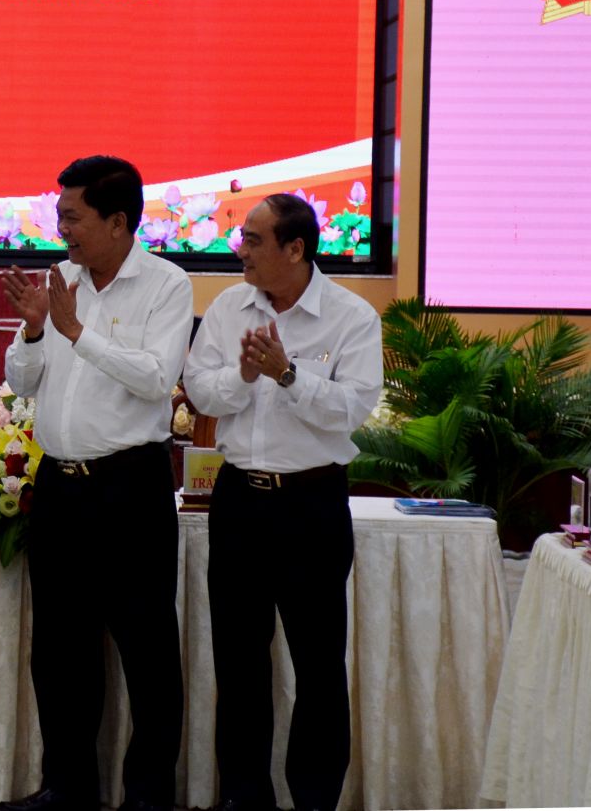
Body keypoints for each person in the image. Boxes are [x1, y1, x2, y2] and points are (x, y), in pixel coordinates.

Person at [0, 156, 193, 811]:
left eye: (73, 216)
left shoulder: (165, 284)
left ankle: (147, 796)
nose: (63, 229)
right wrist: (33, 329)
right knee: (59, 650)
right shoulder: (62, 282)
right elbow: (23, 382)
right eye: (60, 216)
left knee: (147, 650)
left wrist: (77, 331)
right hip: (60, 488)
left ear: (117, 220)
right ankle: (67, 788)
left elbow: (155, 375)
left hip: (129, 487)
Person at [183, 194, 382, 811]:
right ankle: (245, 798)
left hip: (311, 504)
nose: (239, 250)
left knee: (319, 667)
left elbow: (353, 411)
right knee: (239, 666)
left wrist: (289, 375)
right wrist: (246, 376)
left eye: (253, 240)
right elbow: (199, 390)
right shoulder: (227, 307)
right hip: (241, 501)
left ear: (295, 249)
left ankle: (315, 800)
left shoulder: (350, 316)